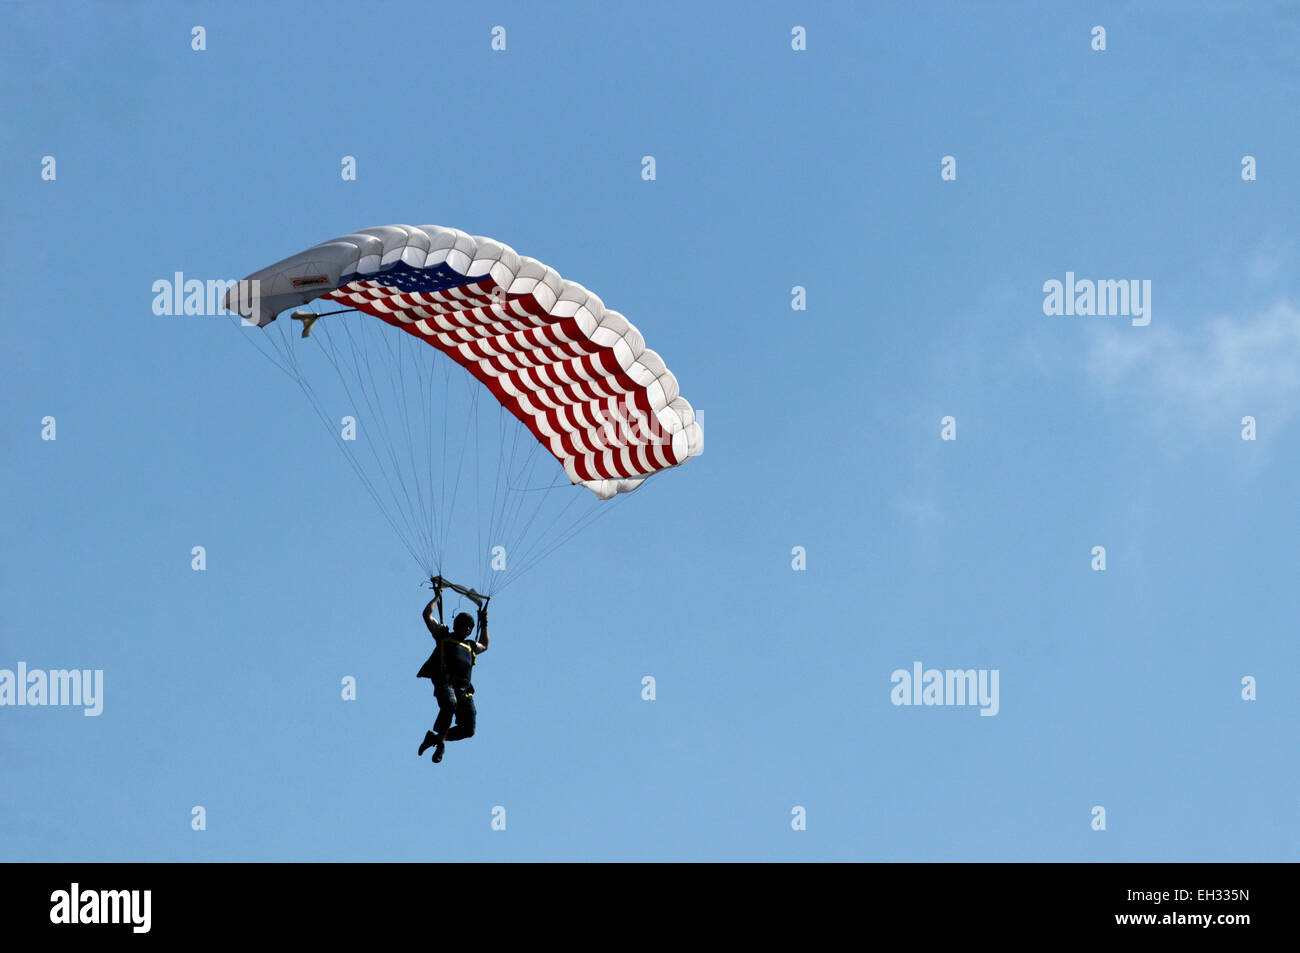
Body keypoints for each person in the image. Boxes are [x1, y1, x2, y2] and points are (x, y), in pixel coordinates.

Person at [417, 583, 489, 764]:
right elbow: (427, 616)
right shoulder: (443, 635)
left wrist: (484, 622)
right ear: (457, 625)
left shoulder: (471, 645)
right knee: (449, 704)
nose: (468, 630)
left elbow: (485, 644)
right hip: (445, 682)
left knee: (468, 729)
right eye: (465, 625)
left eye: (470, 628)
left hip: (464, 689)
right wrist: (436, 597)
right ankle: (440, 744)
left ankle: (434, 739)